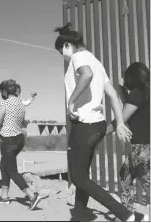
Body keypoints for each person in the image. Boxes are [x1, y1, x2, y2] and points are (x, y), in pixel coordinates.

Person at [54, 22, 147, 221]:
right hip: (97, 125)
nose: (62, 56)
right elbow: (113, 94)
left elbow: (86, 75)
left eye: (60, 51)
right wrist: (120, 123)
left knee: (78, 177)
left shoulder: (79, 58)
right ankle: (79, 214)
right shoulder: (97, 62)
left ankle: (125, 214)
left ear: (67, 46)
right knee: (83, 175)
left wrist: (71, 100)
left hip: (84, 126)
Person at [106, 62, 150, 217]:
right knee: (125, 175)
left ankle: (127, 214)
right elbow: (128, 103)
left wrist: (101, 132)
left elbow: (122, 117)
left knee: (147, 182)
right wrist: (121, 88)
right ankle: (127, 213)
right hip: (143, 146)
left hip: (143, 147)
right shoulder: (142, 93)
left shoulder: (138, 94)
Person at [0, 79, 41, 211]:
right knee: (4, 166)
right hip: (19, 139)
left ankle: (32, 195)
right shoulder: (20, 102)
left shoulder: (5, 102)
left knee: (11, 170)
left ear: (4, 91)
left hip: (8, 140)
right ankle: (4, 196)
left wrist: (0, 126)